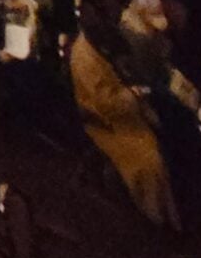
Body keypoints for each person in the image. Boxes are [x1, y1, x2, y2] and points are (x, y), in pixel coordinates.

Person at [70, 14, 176, 226]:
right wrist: (133, 95)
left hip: (125, 110)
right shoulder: (86, 61)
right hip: (106, 124)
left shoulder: (98, 45)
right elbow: (105, 104)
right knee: (149, 161)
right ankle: (157, 215)